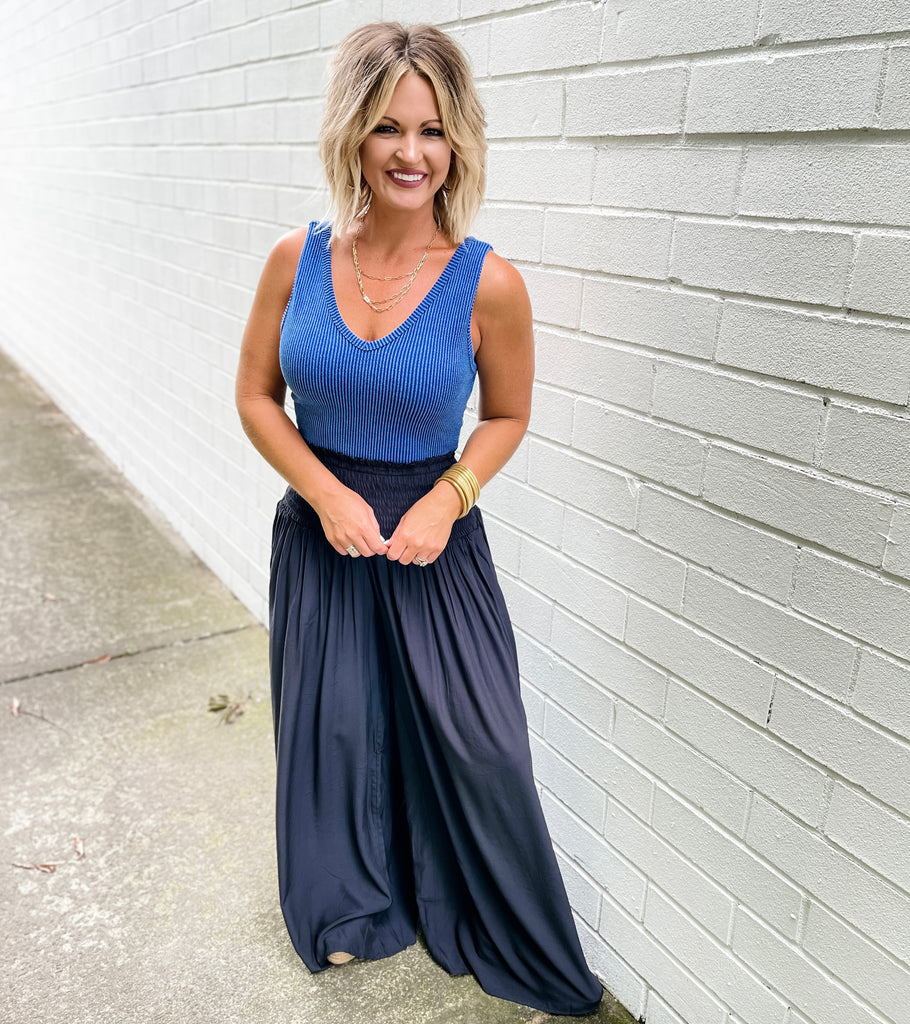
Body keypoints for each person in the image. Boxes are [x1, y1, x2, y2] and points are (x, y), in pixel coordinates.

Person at [235, 21, 604, 1017]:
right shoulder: (295, 259)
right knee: (337, 731)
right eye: (389, 127)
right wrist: (324, 493)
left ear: (457, 142)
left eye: (433, 130)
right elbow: (257, 397)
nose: (411, 152)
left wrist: (450, 498)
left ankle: (475, 909)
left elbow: (508, 415)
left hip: (435, 542)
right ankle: (347, 904)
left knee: (481, 743)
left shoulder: (489, 282)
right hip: (323, 540)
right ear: (352, 133)